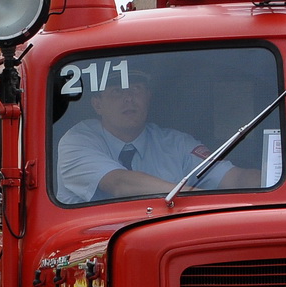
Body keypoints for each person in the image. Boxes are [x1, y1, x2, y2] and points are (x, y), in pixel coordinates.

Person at [55, 68, 249, 203]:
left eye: (136, 89)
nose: (129, 98)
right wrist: (198, 196)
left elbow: (233, 178)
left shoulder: (175, 143)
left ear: (148, 96)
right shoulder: (77, 141)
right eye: (117, 91)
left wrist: (274, 181)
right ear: (97, 104)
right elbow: (120, 184)